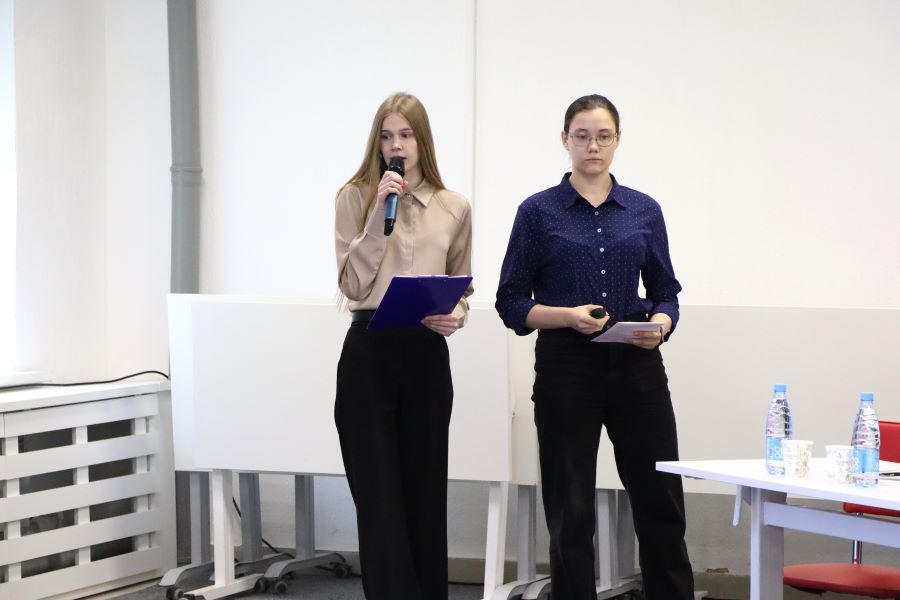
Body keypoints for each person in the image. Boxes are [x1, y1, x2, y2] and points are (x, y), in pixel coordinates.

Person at [495, 94, 694, 599]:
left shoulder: (644, 209)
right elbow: (511, 302)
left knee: (660, 499)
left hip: (637, 364)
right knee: (571, 508)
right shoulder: (537, 212)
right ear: (565, 140)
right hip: (567, 367)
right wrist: (567, 316)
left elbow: (666, 292)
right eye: (582, 136)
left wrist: (662, 325)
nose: (593, 146)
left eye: (604, 136)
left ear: (618, 140)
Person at [333, 92, 473, 600]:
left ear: (422, 141)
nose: (397, 146)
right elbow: (351, 283)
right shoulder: (355, 197)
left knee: (424, 492)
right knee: (378, 499)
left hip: (425, 356)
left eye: (407, 135)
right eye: (387, 136)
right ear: (377, 143)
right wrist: (378, 215)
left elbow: (462, 284)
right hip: (369, 352)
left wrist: (455, 315)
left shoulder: (453, 206)